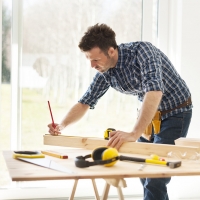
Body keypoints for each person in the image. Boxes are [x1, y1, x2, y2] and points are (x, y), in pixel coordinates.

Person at [48, 23, 193, 200]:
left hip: (176, 112)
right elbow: (86, 101)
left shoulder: (143, 52)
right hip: (151, 115)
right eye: (89, 60)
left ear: (110, 51)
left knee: (156, 175)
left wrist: (133, 133)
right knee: (144, 171)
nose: (92, 65)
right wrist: (62, 125)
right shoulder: (106, 70)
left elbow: (154, 91)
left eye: (95, 59)